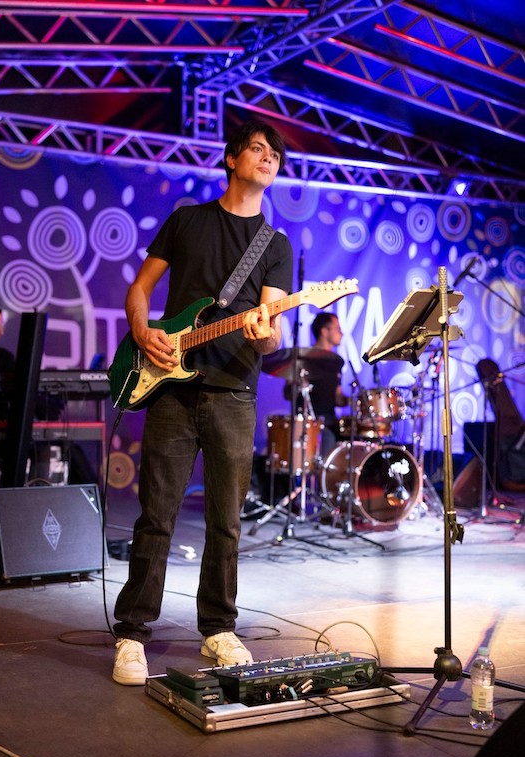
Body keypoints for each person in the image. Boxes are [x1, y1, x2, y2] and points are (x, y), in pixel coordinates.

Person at [112, 121, 294, 685]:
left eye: (276, 154)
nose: (268, 158)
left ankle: (218, 629)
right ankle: (132, 634)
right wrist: (143, 332)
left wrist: (264, 335)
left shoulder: (275, 245)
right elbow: (140, 289)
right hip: (170, 389)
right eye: (258, 149)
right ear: (232, 158)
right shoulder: (187, 220)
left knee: (226, 522)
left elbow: (271, 337)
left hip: (234, 393)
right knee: (156, 517)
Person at [284, 312, 348, 459]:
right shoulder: (303, 358)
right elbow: (287, 393)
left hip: (330, 423)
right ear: (324, 331)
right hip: (307, 424)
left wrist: (356, 401)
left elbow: (338, 397)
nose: (341, 333)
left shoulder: (336, 362)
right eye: (337, 329)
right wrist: (296, 385)